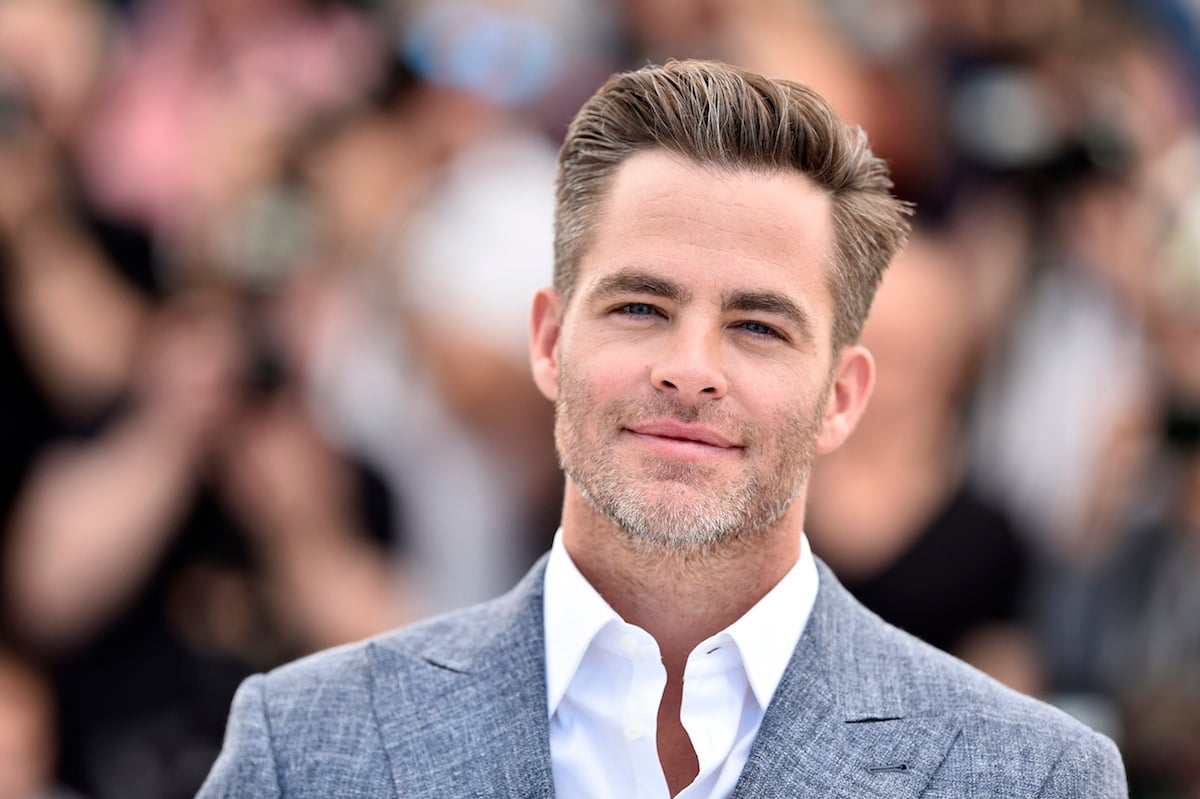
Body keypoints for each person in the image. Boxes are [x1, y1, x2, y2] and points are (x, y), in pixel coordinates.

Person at [198, 59, 1127, 798]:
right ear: (551, 342)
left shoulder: (1031, 778)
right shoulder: (306, 745)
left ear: (842, 396)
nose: (689, 367)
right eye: (641, 306)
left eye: (759, 326)